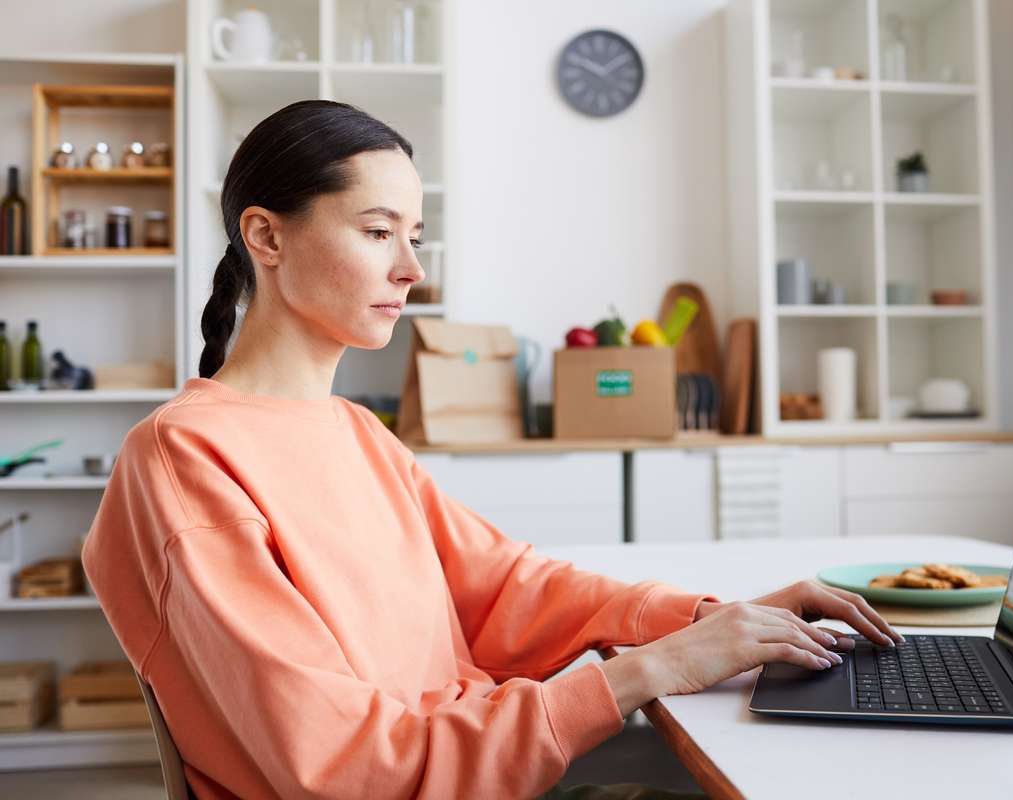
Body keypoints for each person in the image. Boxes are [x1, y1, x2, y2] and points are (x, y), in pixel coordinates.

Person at [81, 100, 904, 800]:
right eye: (377, 232)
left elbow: (507, 588)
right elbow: (340, 767)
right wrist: (645, 672)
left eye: (416, 236)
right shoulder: (184, 459)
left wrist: (708, 619)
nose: (411, 269)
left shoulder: (358, 432)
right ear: (265, 235)